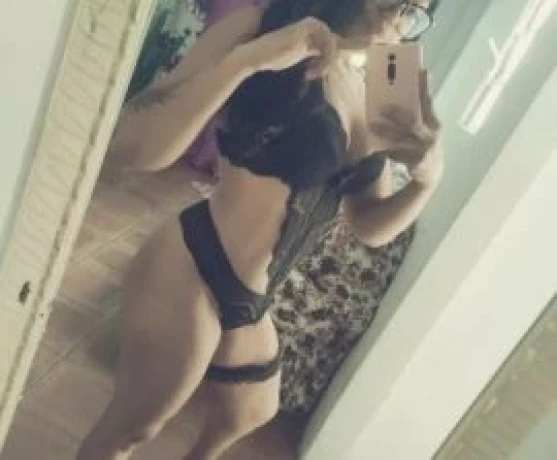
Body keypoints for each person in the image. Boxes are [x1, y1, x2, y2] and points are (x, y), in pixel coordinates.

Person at [78, 0, 443, 459]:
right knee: (133, 427)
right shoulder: (270, 24)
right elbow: (134, 145)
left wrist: (428, 180)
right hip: (196, 262)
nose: (397, 14)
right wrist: (246, 61)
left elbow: (368, 224)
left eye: (415, 8)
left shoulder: (382, 86)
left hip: (253, 299)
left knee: (249, 411)